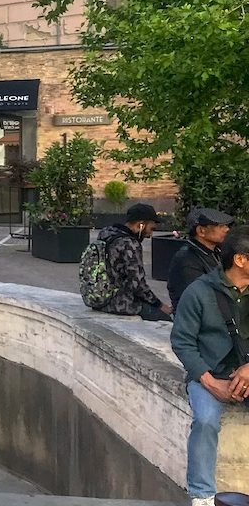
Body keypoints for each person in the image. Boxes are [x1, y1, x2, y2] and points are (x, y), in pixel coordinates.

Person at [170, 226, 249, 506]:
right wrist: (209, 381)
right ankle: (202, 495)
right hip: (207, 373)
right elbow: (182, 342)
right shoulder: (199, 292)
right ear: (240, 260)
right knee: (205, 421)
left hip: (246, 373)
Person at [96, 203, 173, 321]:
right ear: (140, 225)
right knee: (166, 321)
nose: (150, 235)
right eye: (151, 229)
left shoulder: (106, 235)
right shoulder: (129, 244)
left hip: (99, 299)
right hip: (120, 304)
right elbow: (138, 285)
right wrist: (159, 305)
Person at [169, 208, 234, 310]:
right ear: (201, 231)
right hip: (198, 318)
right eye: (221, 226)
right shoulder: (186, 259)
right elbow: (199, 298)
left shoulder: (217, 251)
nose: (227, 229)